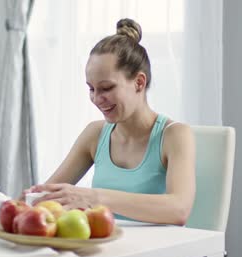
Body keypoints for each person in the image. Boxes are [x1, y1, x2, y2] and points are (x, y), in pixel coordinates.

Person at [26, 18, 195, 225]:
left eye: (106, 88)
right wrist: (22, 202)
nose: (97, 98)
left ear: (139, 82)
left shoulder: (175, 135)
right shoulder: (95, 134)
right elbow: (48, 195)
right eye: (91, 88)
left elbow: (179, 210)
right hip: (107, 250)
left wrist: (95, 197)